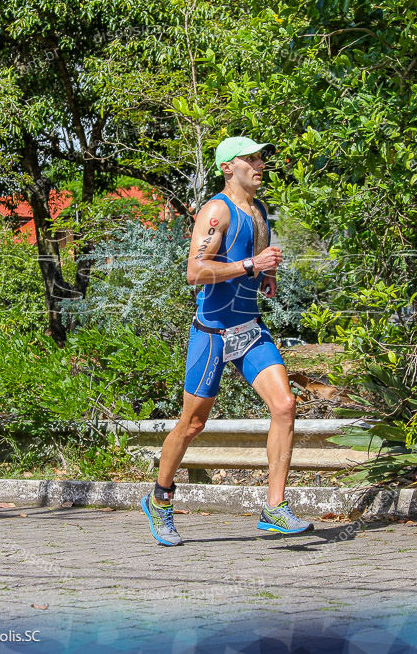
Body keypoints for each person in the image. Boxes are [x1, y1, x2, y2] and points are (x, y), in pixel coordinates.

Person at [141, 136, 313, 546]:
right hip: (213, 334)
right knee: (193, 424)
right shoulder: (216, 211)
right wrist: (251, 263)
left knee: (285, 405)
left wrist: (264, 275)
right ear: (226, 168)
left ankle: (274, 508)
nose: (259, 164)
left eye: (260, 158)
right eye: (249, 159)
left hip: (248, 328)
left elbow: (249, 262)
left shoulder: (259, 210)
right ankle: (160, 499)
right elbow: (195, 272)